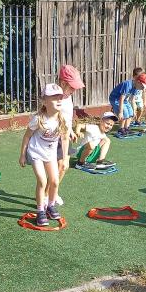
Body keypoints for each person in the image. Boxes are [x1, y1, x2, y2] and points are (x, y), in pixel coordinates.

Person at [19, 84, 68, 227]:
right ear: (44, 101)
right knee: (42, 181)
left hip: (50, 154)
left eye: (60, 97)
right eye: (54, 98)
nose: (59, 100)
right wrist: (22, 154)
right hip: (36, 153)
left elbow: (64, 139)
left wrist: (64, 158)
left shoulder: (62, 118)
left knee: (55, 181)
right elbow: (27, 136)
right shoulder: (38, 119)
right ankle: (40, 210)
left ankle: (50, 206)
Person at [55, 63, 85, 205]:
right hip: (55, 137)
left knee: (63, 167)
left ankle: (52, 192)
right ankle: (48, 194)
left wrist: (71, 130)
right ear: (62, 83)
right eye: (72, 87)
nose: (74, 90)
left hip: (65, 136)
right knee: (61, 166)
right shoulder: (55, 98)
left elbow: (66, 116)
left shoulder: (67, 96)